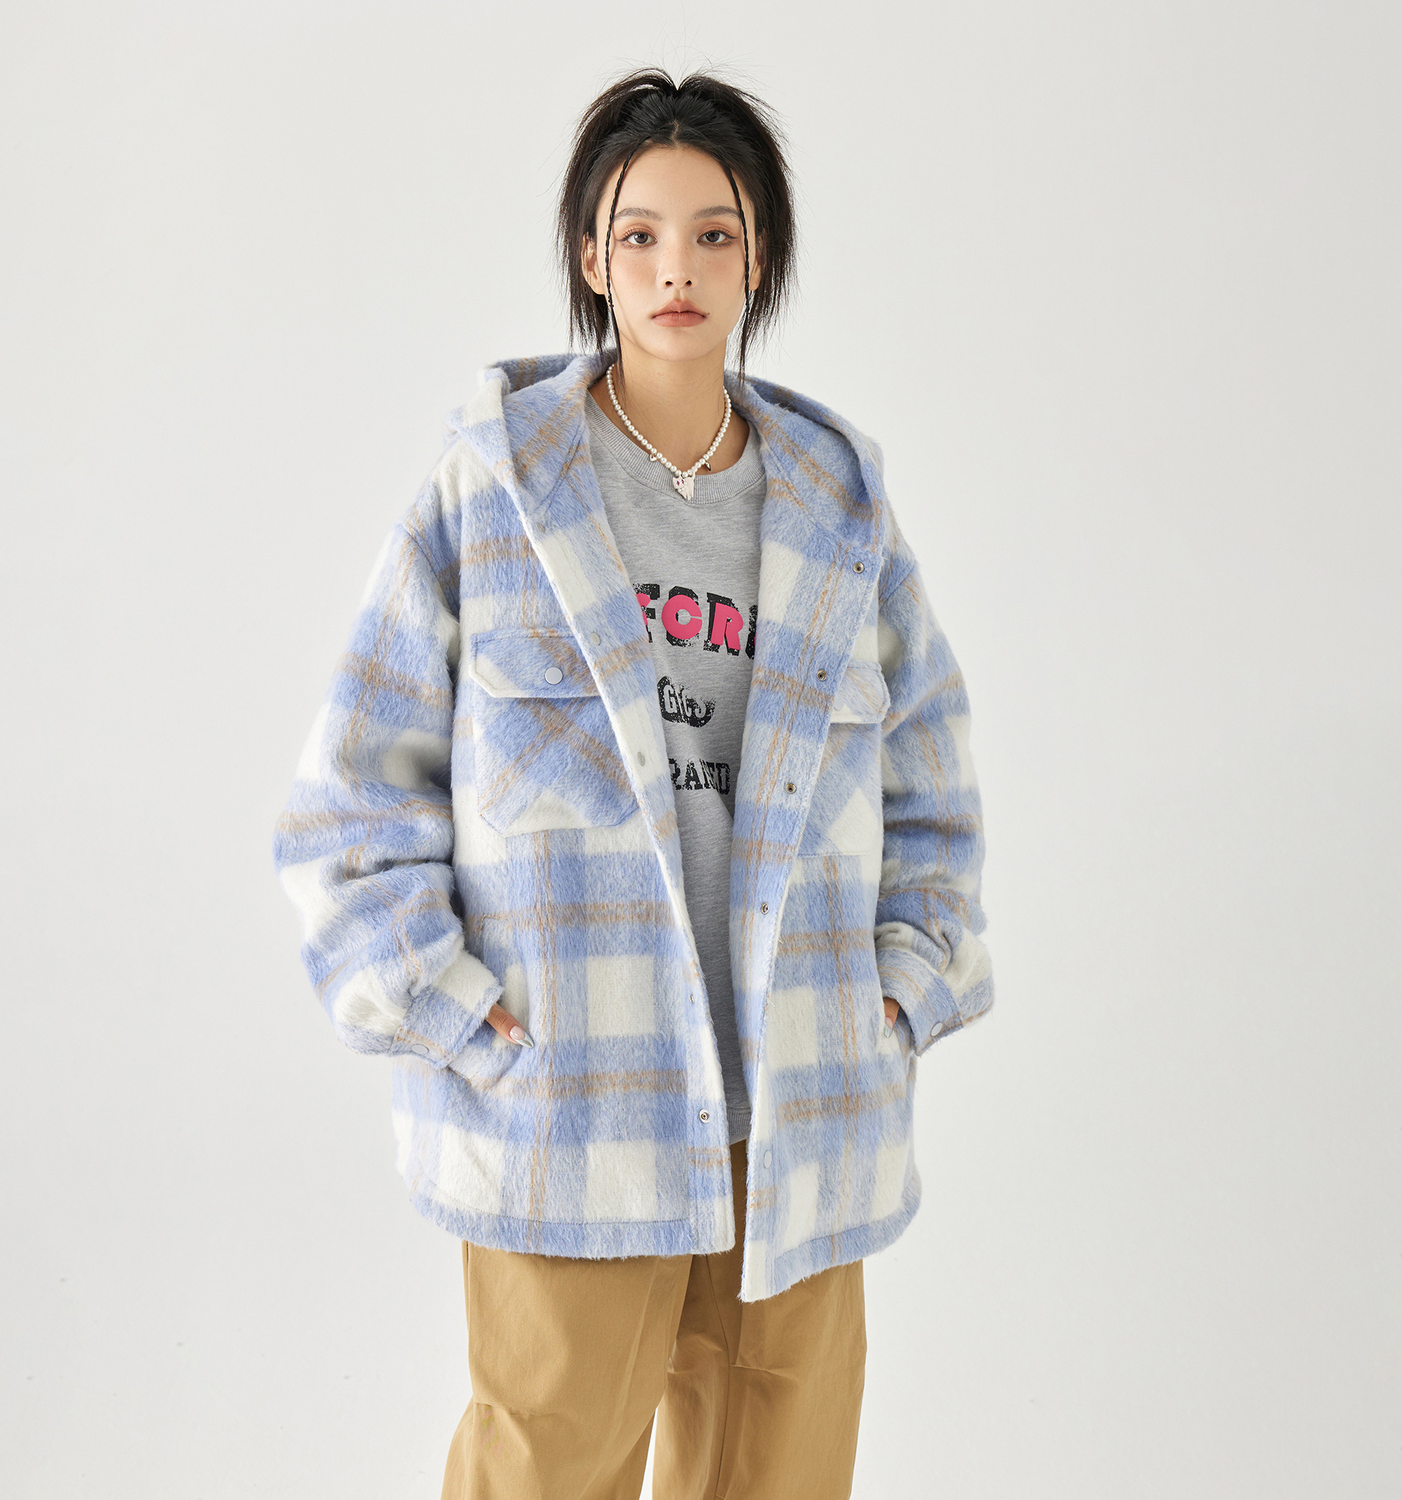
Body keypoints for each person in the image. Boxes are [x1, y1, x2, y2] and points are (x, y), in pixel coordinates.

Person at [274, 67, 993, 1500]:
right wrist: (460, 1017)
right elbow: (354, 798)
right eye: (641, 235)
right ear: (592, 258)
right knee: (545, 1472)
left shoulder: (840, 507)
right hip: (573, 1102)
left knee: (782, 1477)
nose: (678, 270)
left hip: (797, 1114)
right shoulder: (494, 492)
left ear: (759, 258)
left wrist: (898, 996)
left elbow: (933, 782)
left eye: (715, 235)